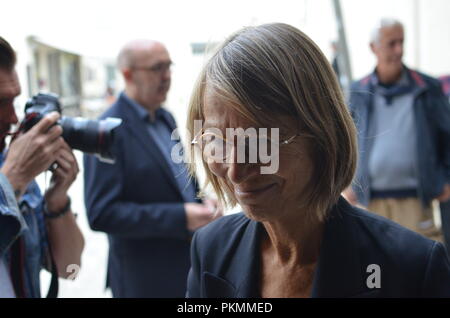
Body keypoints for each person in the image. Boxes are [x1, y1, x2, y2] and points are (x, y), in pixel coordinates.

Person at [185, 23, 450, 297]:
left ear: (322, 134)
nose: (235, 171)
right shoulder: (211, 250)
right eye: (216, 140)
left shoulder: (410, 268)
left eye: (260, 143)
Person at [84, 39, 221, 298]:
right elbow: (101, 213)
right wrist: (181, 216)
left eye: (169, 66)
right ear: (128, 74)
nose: (167, 76)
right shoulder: (105, 130)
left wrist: (203, 202)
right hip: (143, 278)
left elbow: (179, 176)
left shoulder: (164, 117)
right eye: (157, 68)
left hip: (184, 266)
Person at [343, 18, 450, 240]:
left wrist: (446, 180)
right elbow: (346, 140)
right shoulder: (358, 91)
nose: (399, 50)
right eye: (391, 43)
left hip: (416, 200)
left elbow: (446, 137)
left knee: (421, 267)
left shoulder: (428, 88)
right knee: (375, 268)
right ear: (373, 48)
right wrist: (346, 182)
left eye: (401, 42)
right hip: (370, 202)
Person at [0, 37, 84, 298]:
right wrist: (11, 180)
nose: (13, 118)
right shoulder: (12, 170)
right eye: (0, 103)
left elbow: (69, 269)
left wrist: (57, 200)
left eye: (13, 101)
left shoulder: (7, 161)